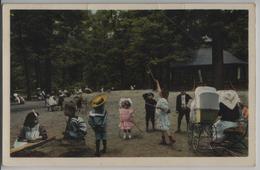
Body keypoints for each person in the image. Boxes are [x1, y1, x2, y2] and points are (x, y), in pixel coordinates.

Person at [155, 80, 176, 145]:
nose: (159, 92)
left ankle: (171, 138)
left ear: (162, 94)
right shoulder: (161, 98)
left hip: (162, 116)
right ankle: (163, 140)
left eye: (161, 92)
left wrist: (159, 108)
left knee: (165, 127)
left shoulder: (163, 100)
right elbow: (159, 90)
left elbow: (166, 110)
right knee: (162, 128)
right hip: (160, 116)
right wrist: (157, 83)